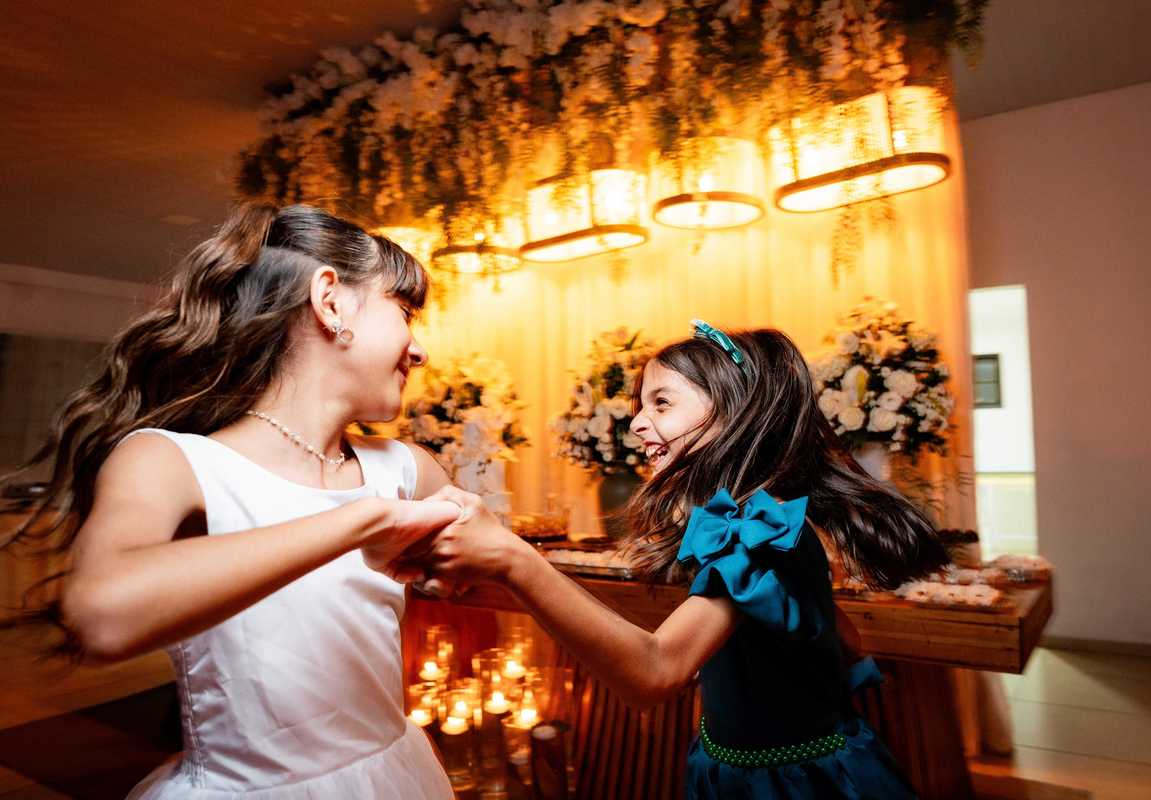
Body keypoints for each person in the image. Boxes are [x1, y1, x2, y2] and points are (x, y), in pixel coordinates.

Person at [1, 203, 461, 798]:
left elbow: (500, 571)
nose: (419, 350)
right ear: (330, 302)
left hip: (396, 776)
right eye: (404, 312)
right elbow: (102, 615)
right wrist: (359, 521)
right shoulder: (170, 461)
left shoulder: (407, 468)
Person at [410, 321, 950, 799]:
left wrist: (516, 561)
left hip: (793, 782)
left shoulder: (759, 530)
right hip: (728, 768)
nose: (637, 424)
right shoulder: (751, 517)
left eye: (662, 403)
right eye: (641, 406)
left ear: (733, 412)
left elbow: (656, 672)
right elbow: (836, 631)